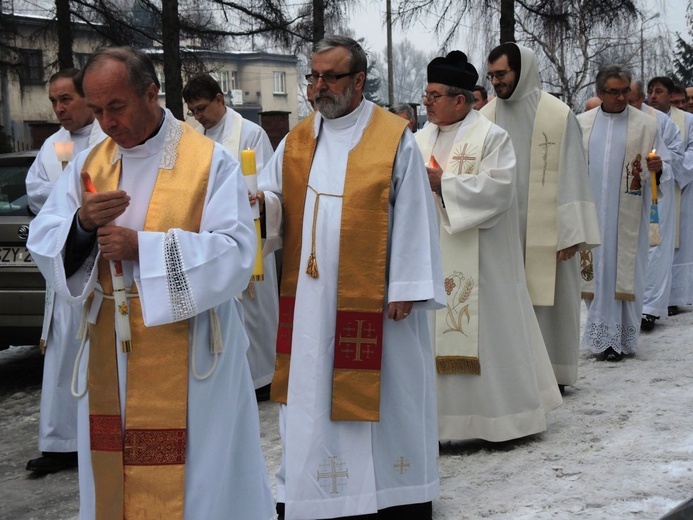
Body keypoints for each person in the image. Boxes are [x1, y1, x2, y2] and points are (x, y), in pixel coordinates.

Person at [27, 47, 275, 520]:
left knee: (198, 480)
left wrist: (144, 247)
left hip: (190, 352)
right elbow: (45, 236)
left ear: (150, 93)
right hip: (110, 353)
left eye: (115, 108)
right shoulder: (89, 165)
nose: (105, 123)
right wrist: (80, 225)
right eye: (96, 111)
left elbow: (238, 252)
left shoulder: (208, 162)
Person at [261, 35, 444, 520]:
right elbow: (273, 200)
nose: (318, 87)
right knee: (312, 395)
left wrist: (406, 286)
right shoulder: (297, 140)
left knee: (388, 398)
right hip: (310, 301)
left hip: (378, 302)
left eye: (330, 77)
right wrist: (263, 206)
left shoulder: (391, 136)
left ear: (358, 81)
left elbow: (413, 212)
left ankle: (391, 498)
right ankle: (320, 496)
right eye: (313, 77)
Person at [416, 51, 562, 442]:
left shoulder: (492, 137)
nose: (426, 103)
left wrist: (443, 184)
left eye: (433, 95)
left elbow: (499, 191)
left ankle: (498, 418)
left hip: (484, 260)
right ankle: (442, 422)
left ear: (459, 99)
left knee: (489, 331)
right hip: (432, 253)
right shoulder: (417, 139)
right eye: (426, 95)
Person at [480, 43, 600, 389]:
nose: (496, 82)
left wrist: (570, 233)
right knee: (506, 302)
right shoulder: (486, 117)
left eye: (501, 74)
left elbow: (575, 173)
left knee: (551, 303)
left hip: (547, 231)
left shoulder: (557, 115)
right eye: (491, 76)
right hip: (501, 227)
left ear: (523, 70)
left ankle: (554, 373)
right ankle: (514, 375)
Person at [24, 68, 106, 474]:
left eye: (66, 99)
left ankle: (97, 437)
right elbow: (37, 190)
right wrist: (68, 204)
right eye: (54, 101)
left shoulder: (110, 140)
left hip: (100, 269)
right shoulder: (52, 146)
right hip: (65, 258)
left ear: (88, 98)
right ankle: (60, 443)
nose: (59, 109)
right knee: (60, 356)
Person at [183, 73, 278, 399]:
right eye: (193, 111)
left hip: (248, 233)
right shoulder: (194, 139)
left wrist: (257, 196)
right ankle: (233, 376)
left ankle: (263, 376)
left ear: (220, 99)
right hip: (211, 236)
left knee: (256, 311)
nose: (199, 116)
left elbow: (266, 181)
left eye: (202, 107)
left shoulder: (250, 134)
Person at [577, 65, 669, 361]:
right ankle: (600, 337)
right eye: (614, 92)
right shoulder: (582, 124)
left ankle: (621, 341)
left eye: (625, 91)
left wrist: (659, 169)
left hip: (628, 216)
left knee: (626, 273)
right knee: (597, 274)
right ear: (600, 92)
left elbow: (663, 166)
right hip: (592, 213)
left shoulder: (646, 125)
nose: (620, 97)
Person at [633, 77, 684, 330]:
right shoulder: (607, 120)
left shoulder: (660, 122)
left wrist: (660, 166)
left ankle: (649, 309)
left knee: (654, 247)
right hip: (623, 196)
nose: (624, 101)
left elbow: (677, 157)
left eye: (630, 97)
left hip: (655, 192)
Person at [659, 83, 693, 314]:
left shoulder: (687, 121)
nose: (685, 104)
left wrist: (675, 169)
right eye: (680, 100)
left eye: (687, 100)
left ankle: (677, 294)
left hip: (683, 186)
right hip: (665, 186)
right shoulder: (657, 120)